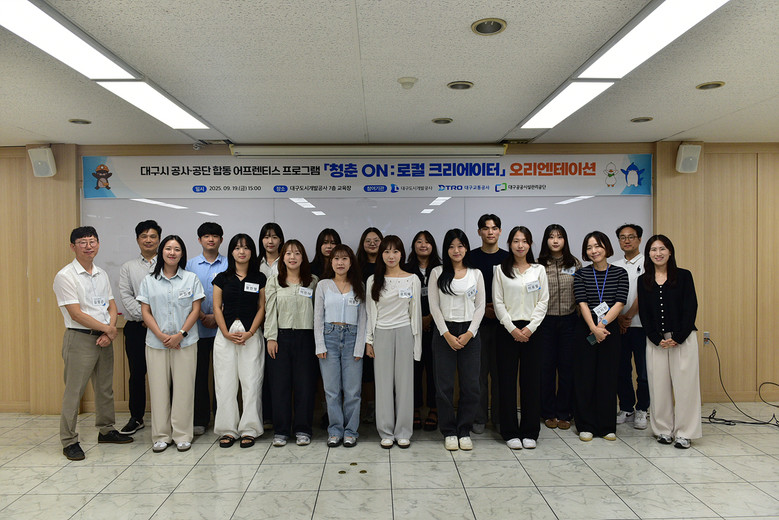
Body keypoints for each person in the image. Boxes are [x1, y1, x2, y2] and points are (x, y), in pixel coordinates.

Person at [54, 226, 133, 461]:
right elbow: (76, 313)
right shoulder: (65, 276)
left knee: (105, 388)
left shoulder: (101, 273)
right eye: (83, 242)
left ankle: (106, 430)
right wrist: (108, 329)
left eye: (92, 241)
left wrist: (109, 331)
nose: (88, 246)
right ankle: (69, 441)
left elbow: (111, 305)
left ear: (98, 244)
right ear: (73, 246)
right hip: (79, 338)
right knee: (74, 392)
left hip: (104, 338)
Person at [138, 235, 205, 453]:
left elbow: (196, 309)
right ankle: (161, 436)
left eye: (177, 249)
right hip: (156, 343)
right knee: (158, 390)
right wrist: (160, 335)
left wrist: (180, 334)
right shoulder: (149, 280)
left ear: (182, 253)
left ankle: (182, 434)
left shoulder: (191, 278)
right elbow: (145, 311)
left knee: (184, 390)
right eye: (168, 248)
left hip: (185, 343)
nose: (172, 253)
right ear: (161, 252)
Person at [638, 235, 701, 449]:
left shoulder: (684, 276)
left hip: (682, 339)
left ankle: (685, 433)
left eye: (662, 249)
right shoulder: (644, 280)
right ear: (648, 254)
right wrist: (656, 338)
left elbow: (690, 307)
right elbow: (645, 313)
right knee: (658, 387)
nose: (658, 253)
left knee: (686, 387)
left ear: (670, 251)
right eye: (653, 250)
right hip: (656, 341)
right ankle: (663, 430)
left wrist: (678, 337)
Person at [428, 229, 485, 451]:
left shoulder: (476, 273)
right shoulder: (437, 272)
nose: (456, 250)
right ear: (446, 249)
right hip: (444, 332)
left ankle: (464, 430)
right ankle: (449, 431)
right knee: (444, 386)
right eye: (451, 246)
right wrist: (446, 334)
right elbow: (434, 306)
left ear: (466, 248)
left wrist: (470, 333)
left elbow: (480, 306)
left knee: (471, 385)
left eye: (460, 246)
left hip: (470, 331)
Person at [493, 226, 549, 450]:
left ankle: (530, 431)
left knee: (531, 382)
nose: (520, 245)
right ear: (509, 244)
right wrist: (512, 328)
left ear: (530, 244)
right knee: (506, 382)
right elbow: (497, 302)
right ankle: (509, 432)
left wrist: (531, 327)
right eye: (516, 241)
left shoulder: (538, 270)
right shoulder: (500, 270)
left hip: (533, 331)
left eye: (524, 241)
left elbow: (543, 301)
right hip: (507, 330)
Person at [365, 235, 422, 449]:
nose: (391, 255)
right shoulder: (373, 280)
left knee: (405, 384)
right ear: (381, 255)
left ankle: (404, 431)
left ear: (401, 254)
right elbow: (370, 312)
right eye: (387, 251)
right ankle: (386, 431)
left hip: (405, 331)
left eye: (395, 251)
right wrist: (369, 340)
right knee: (383, 384)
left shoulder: (412, 279)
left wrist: (417, 343)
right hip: (381, 332)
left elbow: (415, 313)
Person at [573, 231, 629, 442]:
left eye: (597, 246)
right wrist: (593, 328)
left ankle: (606, 426)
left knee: (608, 377)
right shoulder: (581, 274)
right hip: (586, 330)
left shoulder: (620, 273)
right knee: (585, 377)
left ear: (606, 247)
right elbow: (582, 303)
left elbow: (620, 302)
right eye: (589, 247)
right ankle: (585, 425)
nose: (593, 251)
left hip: (610, 331)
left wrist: (602, 325)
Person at [212, 234, 266, 448]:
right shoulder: (222, 278)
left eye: (246, 247)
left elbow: (262, 307)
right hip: (225, 335)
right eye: (237, 247)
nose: (241, 251)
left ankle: (250, 429)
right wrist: (225, 332)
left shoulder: (259, 278)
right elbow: (216, 307)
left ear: (252, 251)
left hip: (250, 335)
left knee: (251, 382)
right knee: (225, 383)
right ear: (231, 251)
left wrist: (251, 332)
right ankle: (227, 429)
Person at [264, 240, 319, 447]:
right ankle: (281, 430)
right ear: (283, 257)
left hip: (307, 338)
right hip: (281, 337)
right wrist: (271, 337)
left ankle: (303, 429)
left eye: (297, 253)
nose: (292, 257)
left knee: (305, 386)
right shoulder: (274, 281)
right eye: (288, 253)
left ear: (303, 257)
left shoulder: (313, 281)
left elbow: (318, 313)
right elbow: (270, 311)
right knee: (280, 386)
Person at [314, 244, 366, 448]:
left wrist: (360, 346)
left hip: (352, 338)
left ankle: (351, 431)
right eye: (336, 258)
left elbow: (363, 319)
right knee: (331, 390)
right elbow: (318, 317)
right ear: (331, 262)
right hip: (329, 338)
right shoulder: (323, 285)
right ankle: (335, 430)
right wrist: (320, 345)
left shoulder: (359, 285)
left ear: (351, 262)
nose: (340, 262)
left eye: (345, 258)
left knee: (353, 391)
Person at [117, 220, 161, 436]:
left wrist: (155, 320)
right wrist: (146, 317)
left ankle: (168, 417)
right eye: (144, 236)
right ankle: (136, 417)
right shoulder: (128, 267)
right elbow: (126, 296)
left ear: (159, 239)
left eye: (153, 236)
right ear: (137, 240)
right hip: (136, 328)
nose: (148, 240)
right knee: (137, 373)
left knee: (165, 373)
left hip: (164, 328)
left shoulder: (169, 262)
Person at [536, 224, 581, 431]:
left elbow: (580, 294)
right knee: (545, 368)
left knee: (567, 368)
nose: (555, 241)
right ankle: (548, 412)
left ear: (565, 240)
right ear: (546, 240)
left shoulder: (575, 263)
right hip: (545, 322)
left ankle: (565, 412)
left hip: (570, 322)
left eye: (560, 236)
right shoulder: (538, 265)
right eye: (551, 237)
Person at [468, 214, 509, 434]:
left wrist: (499, 310)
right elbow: (465, 289)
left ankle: (500, 417)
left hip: (504, 324)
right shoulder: (471, 257)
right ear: (479, 232)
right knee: (478, 374)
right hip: (477, 324)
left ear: (500, 231)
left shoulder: (508, 258)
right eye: (485, 228)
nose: (490, 232)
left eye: (494, 228)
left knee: (501, 373)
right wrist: (483, 309)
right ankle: (479, 417)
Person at [186, 222, 228, 435]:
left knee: (223, 377)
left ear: (221, 239)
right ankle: (200, 419)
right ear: (199, 239)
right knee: (199, 376)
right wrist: (202, 315)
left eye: (215, 235)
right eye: (206, 236)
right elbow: (186, 294)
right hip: (198, 330)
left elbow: (234, 294)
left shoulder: (230, 264)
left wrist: (217, 317)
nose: (210, 239)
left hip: (224, 331)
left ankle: (223, 418)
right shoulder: (189, 265)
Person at [613, 224, 649, 429]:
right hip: (619, 327)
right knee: (621, 369)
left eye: (631, 237)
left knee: (643, 372)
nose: (627, 241)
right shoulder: (615, 265)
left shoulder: (648, 262)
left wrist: (628, 315)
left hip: (641, 326)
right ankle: (626, 407)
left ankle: (642, 408)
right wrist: (619, 318)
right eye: (622, 237)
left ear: (639, 239)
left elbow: (645, 292)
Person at [405, 230, 441, 431]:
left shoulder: (442, 268)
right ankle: (415, 408)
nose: (423, 245)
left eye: (427, 242)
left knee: (435, 371)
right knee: (414, 371)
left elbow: (446, 298)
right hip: (412, 328)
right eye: (419, 241)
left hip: (437, 327)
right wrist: (419, 319)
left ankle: (434, 409)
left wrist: (430, 318)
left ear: (433, 245)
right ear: (414, 245)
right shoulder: (406, 269)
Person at [258, 222, 285, 427]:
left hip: (281, 323)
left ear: (280, 240)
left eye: (274, 237)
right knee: (262, 371)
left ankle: (279, 416)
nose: (270, 241)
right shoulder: (255, 263)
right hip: (258, 322)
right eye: (267, 237)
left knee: (278, 372)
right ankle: (266, 415)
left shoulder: (287, 261)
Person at [356, 227, 384, 423]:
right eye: (368, 240)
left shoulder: (388, 266)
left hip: (384, 322)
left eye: (376, 240)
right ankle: (371, 406)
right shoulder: (357, 267)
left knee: (384, 368)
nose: (372, 243)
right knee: (366, 369)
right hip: (362, 322)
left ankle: (384, 406)